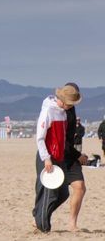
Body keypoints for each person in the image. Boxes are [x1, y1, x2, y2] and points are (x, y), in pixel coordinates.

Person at [34, 83, 88, 232]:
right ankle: (43, 225)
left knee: (63, 193)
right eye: (70, 104)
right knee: (48, 193)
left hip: (60, 156)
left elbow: (64, 138)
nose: (71, 107)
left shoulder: (64, 112)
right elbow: (40, 137)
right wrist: (46, 158)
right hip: (48, 157)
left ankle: (39, 216)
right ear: (63, 100)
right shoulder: (48, 111)